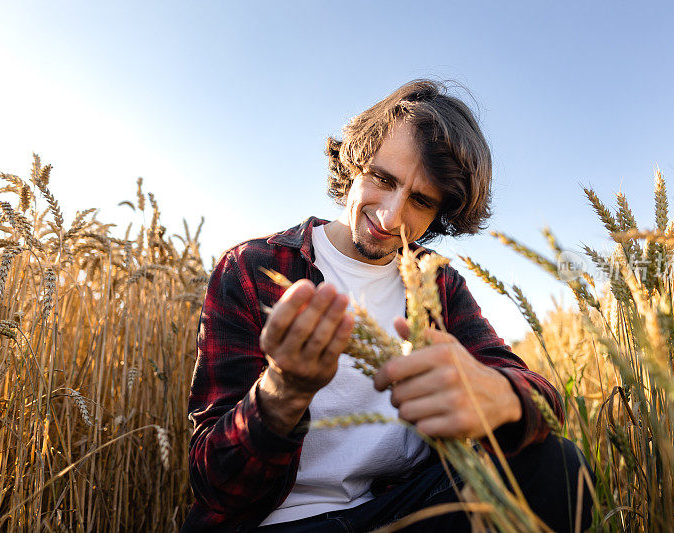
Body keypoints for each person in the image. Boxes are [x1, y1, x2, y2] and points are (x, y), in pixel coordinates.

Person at [181, 80, 594, 533]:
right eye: (383, 179)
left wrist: (500, 396)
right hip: (273, 524)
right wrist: (282, 393)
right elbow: (213, 480)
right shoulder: (255, 268)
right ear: (354, 161)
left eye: (420, 201)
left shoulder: (435, 282)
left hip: (399, 510)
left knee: (558, 463)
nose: (392, 217)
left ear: (442, 213)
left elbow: (541, 397)